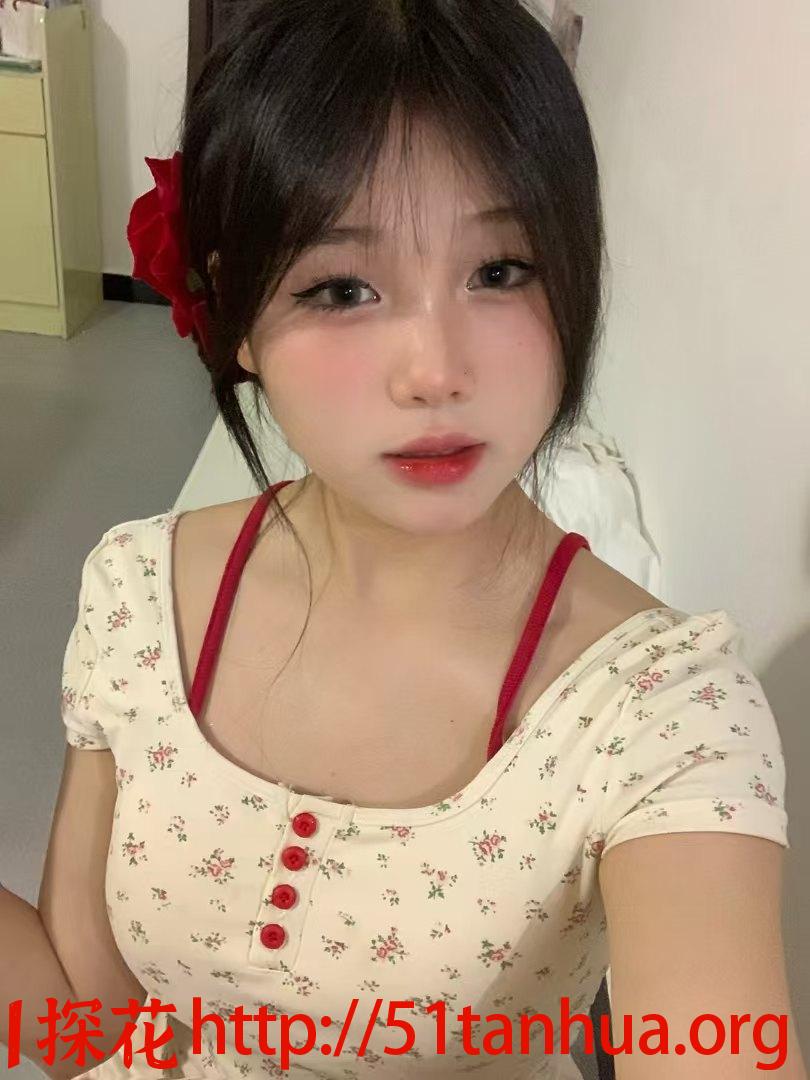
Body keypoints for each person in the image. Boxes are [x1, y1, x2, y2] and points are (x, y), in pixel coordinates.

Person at [1, 1, 804, 1077]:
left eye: (501, 270)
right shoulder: (139, 595)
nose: (436, 370)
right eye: (343, 288)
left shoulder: (662, 713)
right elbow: (87, 1028)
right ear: (236, 316)